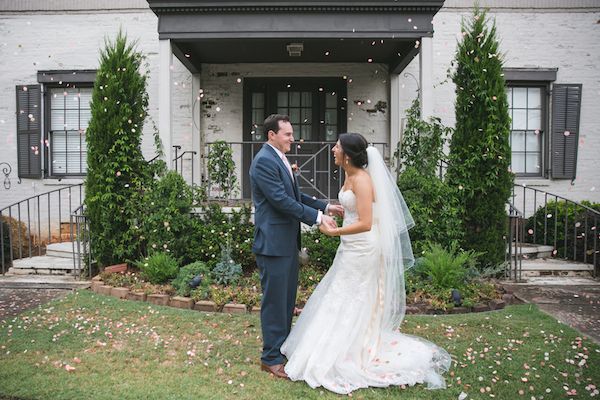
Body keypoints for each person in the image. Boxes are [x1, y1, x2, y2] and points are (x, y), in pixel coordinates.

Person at [281, 133, 451, 394]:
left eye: (337, 147)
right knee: (342, 292)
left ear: (347, 155)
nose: (333, 150)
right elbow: (353, 211)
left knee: (353, 295)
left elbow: (366, 222)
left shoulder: (361, 179)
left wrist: (334, 233)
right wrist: (337, 211)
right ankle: (335, 344)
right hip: (350, 246)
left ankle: (350, 348)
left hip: (362, 247)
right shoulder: (349, 175)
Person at [249, 114, 343, 379]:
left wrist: (325, 206)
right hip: (273, 244)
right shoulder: (264, 162)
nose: (293, 138)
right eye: (288, 134)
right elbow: (280, 200)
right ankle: (270, 358)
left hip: (287, 242)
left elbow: (295, 196)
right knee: (275, 303)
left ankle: (283, 348)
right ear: (272, 135)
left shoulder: (278, 159)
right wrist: (317, 218)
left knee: (287, 301)